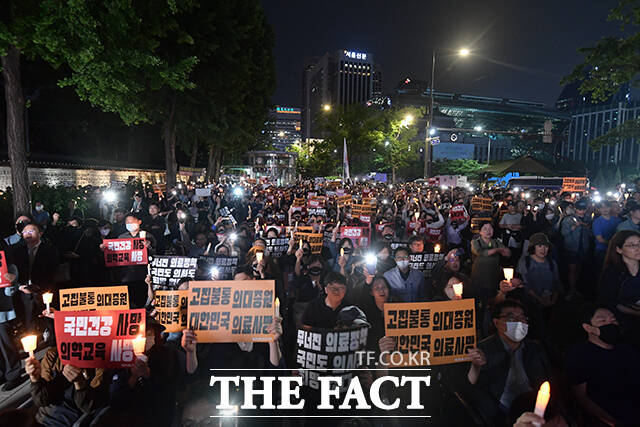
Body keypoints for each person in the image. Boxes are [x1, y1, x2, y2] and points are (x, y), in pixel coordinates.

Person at [466, 300, 551, 425]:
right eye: (511, 318)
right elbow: (472, 386)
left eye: (522, 317)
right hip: (500, 412)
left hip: (533, 406)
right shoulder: (483, 350)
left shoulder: (534, 348)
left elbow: (545, 378)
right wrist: (475, 366)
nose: (519, 322)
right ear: (496, 322)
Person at [565, 305, 640, 426]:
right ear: (588, 327)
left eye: (613, 320)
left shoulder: (626, 349)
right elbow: (581, 397)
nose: (610, 324)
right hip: (611, 417)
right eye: (602, 321)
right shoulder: (579, 355)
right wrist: (612, 423)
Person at [24, 347, 108, 426]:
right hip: (41, 420)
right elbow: (41, 400)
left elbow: (89, 407)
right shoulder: (53, 355)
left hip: (68, 422)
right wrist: (35, 378)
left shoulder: (99, 363)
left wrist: (79, 383)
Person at [13, 223, 60, 331]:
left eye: (31, 231)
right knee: (28, 320)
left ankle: (52, 341)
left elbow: (53, 271)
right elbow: (15, 272)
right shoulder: (18, 251)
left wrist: (39, 286)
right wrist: (20, 287)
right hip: (24, 292)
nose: (27, 234)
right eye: (24, 232)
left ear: (40, 233)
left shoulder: (50, 250)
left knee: (48, 318)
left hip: (45, 291)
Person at [598, 230, 640, 343]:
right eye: (632, 245)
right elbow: (611, 303)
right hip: (624, 324)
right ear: (619, 249)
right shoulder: (612, 274)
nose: (638, 248)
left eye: (639, 244)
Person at [470, 222, 511, 302]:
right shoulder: (475, 242)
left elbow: (508, 253)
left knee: (493, 300)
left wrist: (506, 251)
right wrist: (498, 250)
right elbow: (481, 252)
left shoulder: (496, 242)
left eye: (490, 228)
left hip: (493, 278)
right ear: (480, 232)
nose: (488, 231)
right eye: (485, 229)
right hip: (479, 279)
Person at [560, 199, 591, 298]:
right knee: (572, 269)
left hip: (583, 247)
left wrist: (588, 227)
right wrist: (573, 227)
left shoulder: (587, 218)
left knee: (579, 268)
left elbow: (590, 234)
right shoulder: (569, 219)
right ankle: (571, 290)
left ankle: (575, 289)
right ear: (575, 209)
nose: (581, 211)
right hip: (572, 247)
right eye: (579, 209)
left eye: (583, 209)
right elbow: (563, 233)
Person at [592, 201, 622, 273]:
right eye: (601, 207)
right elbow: (600, 239)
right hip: (602, 250)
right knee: (603, 271)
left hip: (615, 249)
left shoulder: (618, 220)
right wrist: (614, 243)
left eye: (607, 207)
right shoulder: (597, 222)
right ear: (598, 210)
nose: (604, 209)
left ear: (610, 208)